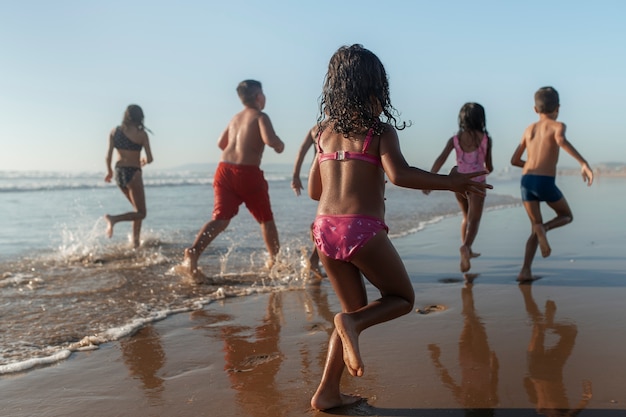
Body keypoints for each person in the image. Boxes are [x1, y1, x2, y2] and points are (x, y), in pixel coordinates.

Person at [308, 44, 492, 411]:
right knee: (401, 299)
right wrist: (451, 182)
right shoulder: (380, 131)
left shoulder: (322, 132)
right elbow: (399, 174)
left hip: (323, 230)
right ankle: (349, 328)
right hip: (360, 230)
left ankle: (327, 391)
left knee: (355, 314)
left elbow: (316, 190)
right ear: (376, 88)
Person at [183, 80, 285, 278]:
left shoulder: (235, 118)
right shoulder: (260, 116)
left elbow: (221, 144)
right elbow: (270, 140)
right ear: (258, 97)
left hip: (223, 170)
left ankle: (194, 251)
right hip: (247, 174)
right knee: (266, 220)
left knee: (220, 219)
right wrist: (279, 145)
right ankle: (275, 261)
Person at [510, 87, 593, 282]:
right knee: (566, 215)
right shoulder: (558, 126)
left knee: (535, 226)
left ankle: (525, 271)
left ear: (535, 109)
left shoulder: (528, 129)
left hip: (526, 180)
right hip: (544, 182)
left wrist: (531, 165)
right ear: (558, 108)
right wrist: (583, 163)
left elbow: (514, 160)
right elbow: (560, 140)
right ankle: (544, 229)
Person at [424, 103, 493, 273]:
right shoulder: (485, 139)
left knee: (465, 216)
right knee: (474, 219)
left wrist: (430, 180)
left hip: (458, 183)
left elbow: (441, 159)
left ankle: (465, 249)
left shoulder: (455, 139)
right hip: (477, 183)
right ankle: (466, 247)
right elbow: (489, 166)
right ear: (481, 118)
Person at [104, 104, 154, 248]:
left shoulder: (115, 132)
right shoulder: (141, 134)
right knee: (141, 213)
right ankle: (113, 219)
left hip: (119, 173)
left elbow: (108, 156)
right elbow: (150, 158)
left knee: (136, 210)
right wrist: (143, 161)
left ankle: (135, 243)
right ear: (140, 117)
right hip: (133, 173)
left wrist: (109, 172)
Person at [291, 126, 322, 278]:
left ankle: (317, 254)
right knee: (328, 215)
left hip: (315, 173)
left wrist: (296, 176)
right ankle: (314, 259)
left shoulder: (315, 129)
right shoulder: (340, 126)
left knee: (323, 214)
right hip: (329, 172)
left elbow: (301, 152)